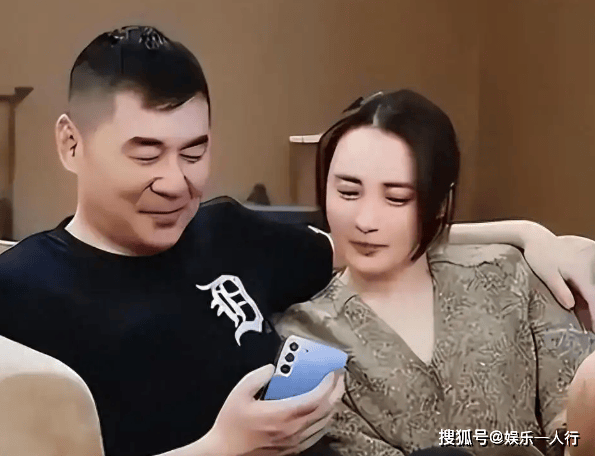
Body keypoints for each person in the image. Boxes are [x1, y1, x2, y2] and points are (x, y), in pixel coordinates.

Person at [0, 25, 593, 456]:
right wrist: (221, 447)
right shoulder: (22, 289)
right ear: (71, 144)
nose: (176, 182)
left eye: (194, 152)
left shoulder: (225, 231)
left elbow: (368, 237)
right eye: (147, 154)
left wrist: (527, 233)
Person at [274, 89, 595, 456]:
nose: (365, 221)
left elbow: (573, 424)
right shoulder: (305, 340)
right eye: (348, 192)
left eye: (396, 198)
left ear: (441, 202)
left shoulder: (511, 276)